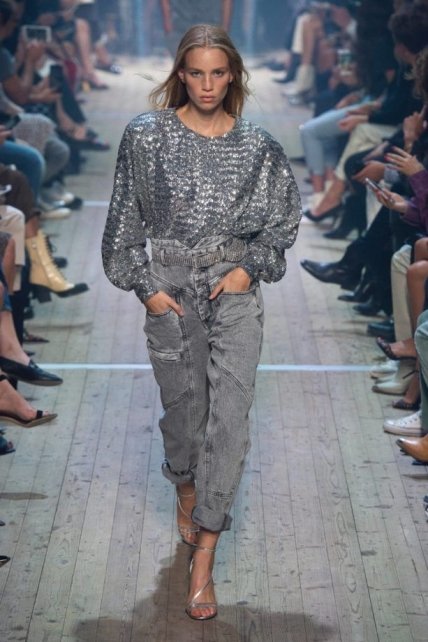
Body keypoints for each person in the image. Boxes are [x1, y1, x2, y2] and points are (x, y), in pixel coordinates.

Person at [102, 24, 301, 621]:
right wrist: (147, 289)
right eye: (196, 73)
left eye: (218, 73)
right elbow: (123, 222)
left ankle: (205, 557)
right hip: (171, 290)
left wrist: (249, 270)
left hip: (233, 289)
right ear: (180, 75)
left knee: (231, 418)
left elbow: (282, 222)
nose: (208, 85)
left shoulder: (259, 146)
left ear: (233, 74)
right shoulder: (146, 135)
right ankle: (185, 484)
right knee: (185, 418)